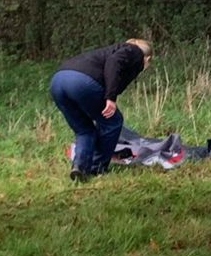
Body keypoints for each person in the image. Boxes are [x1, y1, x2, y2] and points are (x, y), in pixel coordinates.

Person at [48, 38, 152, 180]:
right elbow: (114, 62)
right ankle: (97, 168)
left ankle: (80, 167)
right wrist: (111, 97)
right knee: (112, 122)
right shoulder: (134, 51)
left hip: (58, 81)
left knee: (84, 130)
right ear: (147, 58)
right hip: (81, 82)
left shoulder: (107, 51)